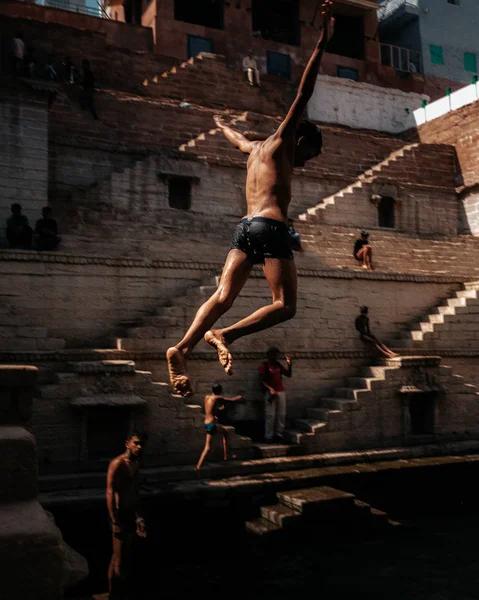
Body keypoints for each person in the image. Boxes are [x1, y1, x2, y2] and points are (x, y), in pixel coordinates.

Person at [166, 1, 335, 397]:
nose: (307, 161)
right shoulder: (282, 142)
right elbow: (304, 91)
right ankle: (225, 334)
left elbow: (239, 140)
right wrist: (321, 44)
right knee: (285, 305)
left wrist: (223, 126)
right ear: (302, 141)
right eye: (310, 153)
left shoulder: (257, 148)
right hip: (270, 227)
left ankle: (182, 347)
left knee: (223, 295)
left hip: (244, 227)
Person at [106, 432, 147, 600]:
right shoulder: (117, 463)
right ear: (127, 443)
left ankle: (112, 594)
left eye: (141, 444)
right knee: (119, 563)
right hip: (120, 514)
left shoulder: (136, 463)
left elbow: (135, 491)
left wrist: (139, 517)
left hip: (131, 513)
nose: (139, 447)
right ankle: (116, 595)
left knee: (120, 556)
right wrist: (114, 519)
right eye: (136, 443)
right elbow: (110, 491)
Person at [195, 383, 245, 471]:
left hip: (206, 422)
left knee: (225, 433)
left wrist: (218, 408)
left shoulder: (207, 397)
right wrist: (239, 397)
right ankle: (198, 466)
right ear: (219, 391)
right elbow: (230, 400)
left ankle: (226, 455)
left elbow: (210, 409)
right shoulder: (217, 397)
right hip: (211, 423)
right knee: (207, 447)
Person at [259, 347, 292, 442]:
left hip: (280, 391)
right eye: (273, 354)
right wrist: (270, 389)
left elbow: (288, 374)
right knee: (270, 415)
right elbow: (261, 380)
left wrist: (289, 365)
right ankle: (268, 436)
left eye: (276, 354)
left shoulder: (278, 365)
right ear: (268, 355)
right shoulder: (264, 366)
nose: (275, 356)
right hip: (270, 393)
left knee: (281, 414)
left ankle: (279, 434)